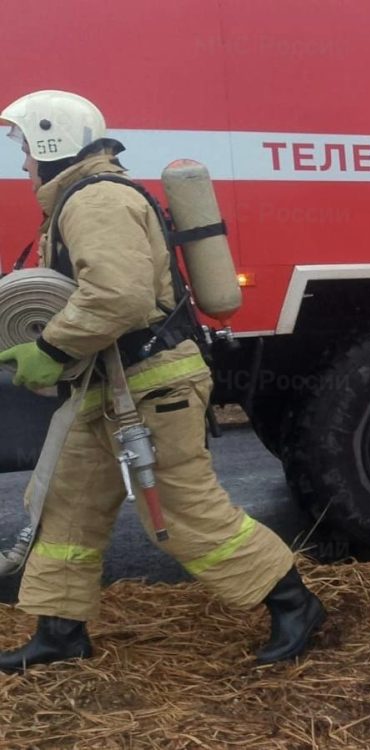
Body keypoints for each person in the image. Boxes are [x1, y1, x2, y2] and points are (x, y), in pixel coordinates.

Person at [0, 90, 326, 671]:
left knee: (182, 513)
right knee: (65, 504)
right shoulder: (78, 198)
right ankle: (61, 632)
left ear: (52, 141)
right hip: (108, 388)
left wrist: (51, 347)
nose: (22, 160)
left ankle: (294, 602)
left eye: (25, 145)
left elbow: (118, 297)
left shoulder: (95, 199)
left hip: (150, 387)